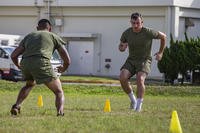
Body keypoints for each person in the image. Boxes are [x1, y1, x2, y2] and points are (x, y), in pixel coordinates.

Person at [10, 19, 71, 116]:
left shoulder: (29, 36)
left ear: (37, 28)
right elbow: (67, 59)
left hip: (25, 62)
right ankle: (60, 112)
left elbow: (13, 55)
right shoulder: (53, 36)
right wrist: (63, 68)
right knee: (59, 91)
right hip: (41, 62)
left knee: (29, 85)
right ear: (50, 28)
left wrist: (19, 66)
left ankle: (17, 106)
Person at [119, 12, 166, 112]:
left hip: (144, 60)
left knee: (140, 79)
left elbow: (163, 37)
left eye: (138, 23)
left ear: (142, 22)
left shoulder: (148, 32)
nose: (135, 25)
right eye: (133, 23)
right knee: (122, 78)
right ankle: (133, 100)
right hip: (131, 60)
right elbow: (121, 47)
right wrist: (122, 47)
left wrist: (161, 53)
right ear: (130, 22)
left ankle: (138, 107)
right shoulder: (126, 33)